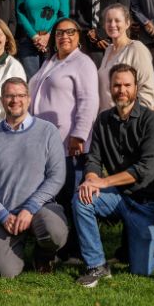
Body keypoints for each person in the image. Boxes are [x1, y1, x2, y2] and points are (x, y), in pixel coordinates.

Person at [74, 64, 154, 285]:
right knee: (82, 199)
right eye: (117, 85)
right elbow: (93, 159)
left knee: (141, 270)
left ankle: (151, 242)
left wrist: (103, 181)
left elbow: (144, 168)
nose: (121, 90)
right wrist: (91, 180)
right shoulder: (103, 120)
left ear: (136, 88)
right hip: (117, 197)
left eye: (126, 85)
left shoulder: (151, 120)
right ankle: (97, 265)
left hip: (145, 201)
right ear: (110, 88)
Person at [0, 77, 68, 277]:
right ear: (2, 100)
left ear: (29, 99)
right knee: (5, 271)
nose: (15, 100)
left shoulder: (48, 131)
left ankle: (43, 254)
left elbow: (57, 175)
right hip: (4, 215)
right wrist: (2, 215)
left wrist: (30, 207)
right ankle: (13, 250)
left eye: (20, 95)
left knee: (56, 233)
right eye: (9, 95)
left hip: (39, 209)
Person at [29, 18, 100, 255]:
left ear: (79, 35)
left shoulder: (83, 63)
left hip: (69, 143)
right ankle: (57, 245)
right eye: (59, 32)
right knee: (54, 195)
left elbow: (89, 101)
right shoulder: (50, 60)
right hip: (46, 143)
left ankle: (74, 250)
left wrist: (79, 135)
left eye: (70, 32)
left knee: (71, 196)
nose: (64, 36)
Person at [15, 0, 69, 77]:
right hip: (28, 41)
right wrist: (35, 37)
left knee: (50, 80)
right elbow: (20, 12)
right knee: (32, 82)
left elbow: (63, 15)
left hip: (53, 41)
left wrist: (48, 37)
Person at [96, 3, 154, 111]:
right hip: (105, 120)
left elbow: (147, 91)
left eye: (117, 20)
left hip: (125, 122)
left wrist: (134, 121)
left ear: (127, 23)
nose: (112, 24)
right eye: (109, 21)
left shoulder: (137, 49)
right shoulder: (108, 49)